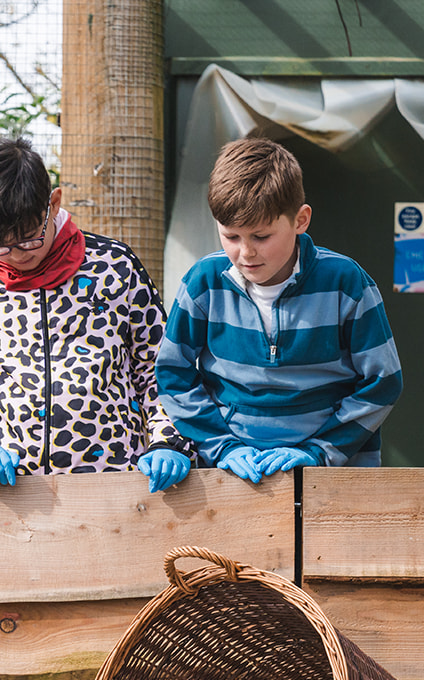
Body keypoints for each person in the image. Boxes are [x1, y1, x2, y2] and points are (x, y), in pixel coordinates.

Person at [0, 137, 191, 494]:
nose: (16, 254)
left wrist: (167, 441)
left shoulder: (115, 267)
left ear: (54, 203)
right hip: (8, 493)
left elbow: (159, 368)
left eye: (29, 238)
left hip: (115, 485)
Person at [156, 137, 402, 483]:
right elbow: (172, 373)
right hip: (233, 476)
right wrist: (222, 447)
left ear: (300, 220)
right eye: (231, 236)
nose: (245, 253)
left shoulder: (346, 282)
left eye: (261, 236)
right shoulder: (203, 283)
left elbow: (383, 381)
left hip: (334, 478)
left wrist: (318, 451)